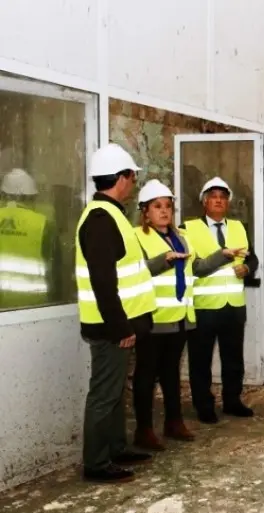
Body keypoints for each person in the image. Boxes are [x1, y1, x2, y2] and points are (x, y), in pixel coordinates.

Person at [131, 179, 248, 450]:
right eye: (157, 206)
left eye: (168, 207)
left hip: (179, 317)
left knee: (171, 374)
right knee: (146, 375)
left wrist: (223, 256)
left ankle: (173, 422)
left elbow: (196, 268)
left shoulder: (180, 238)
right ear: (145, 211)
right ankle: (144, 430)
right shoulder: (137, 236)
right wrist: (163, 261)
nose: (164, 212)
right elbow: (133, 272)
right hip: (151, 318)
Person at [75, 143, 157, 483]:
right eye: (132, 176)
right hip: (110, 327)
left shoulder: (109, 215)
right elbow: (103, 283)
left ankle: (116, 447)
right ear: (122, 178)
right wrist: (121, 326)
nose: (134, 181)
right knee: (104, 394)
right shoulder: (100, 220)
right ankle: (96, 463)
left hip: (116, 325)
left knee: (113, 392)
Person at [180, 177, 259, 423]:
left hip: (233, 307)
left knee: (233, 358)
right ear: (204, 202)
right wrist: (221, 257)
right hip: (205, 307)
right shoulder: (188, 228)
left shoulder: (238, 227)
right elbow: (192, 268)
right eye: (213, 197)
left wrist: (247, 268)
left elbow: (252, 259)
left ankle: (233, 401)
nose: (218, 201)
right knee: (200, 360)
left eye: (223, 197)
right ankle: (204, 406)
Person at [0, 169, 56, 309]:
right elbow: (55, 273)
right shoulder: (44, 225)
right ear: (31, 198)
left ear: (4, 195)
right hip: (32, 307)